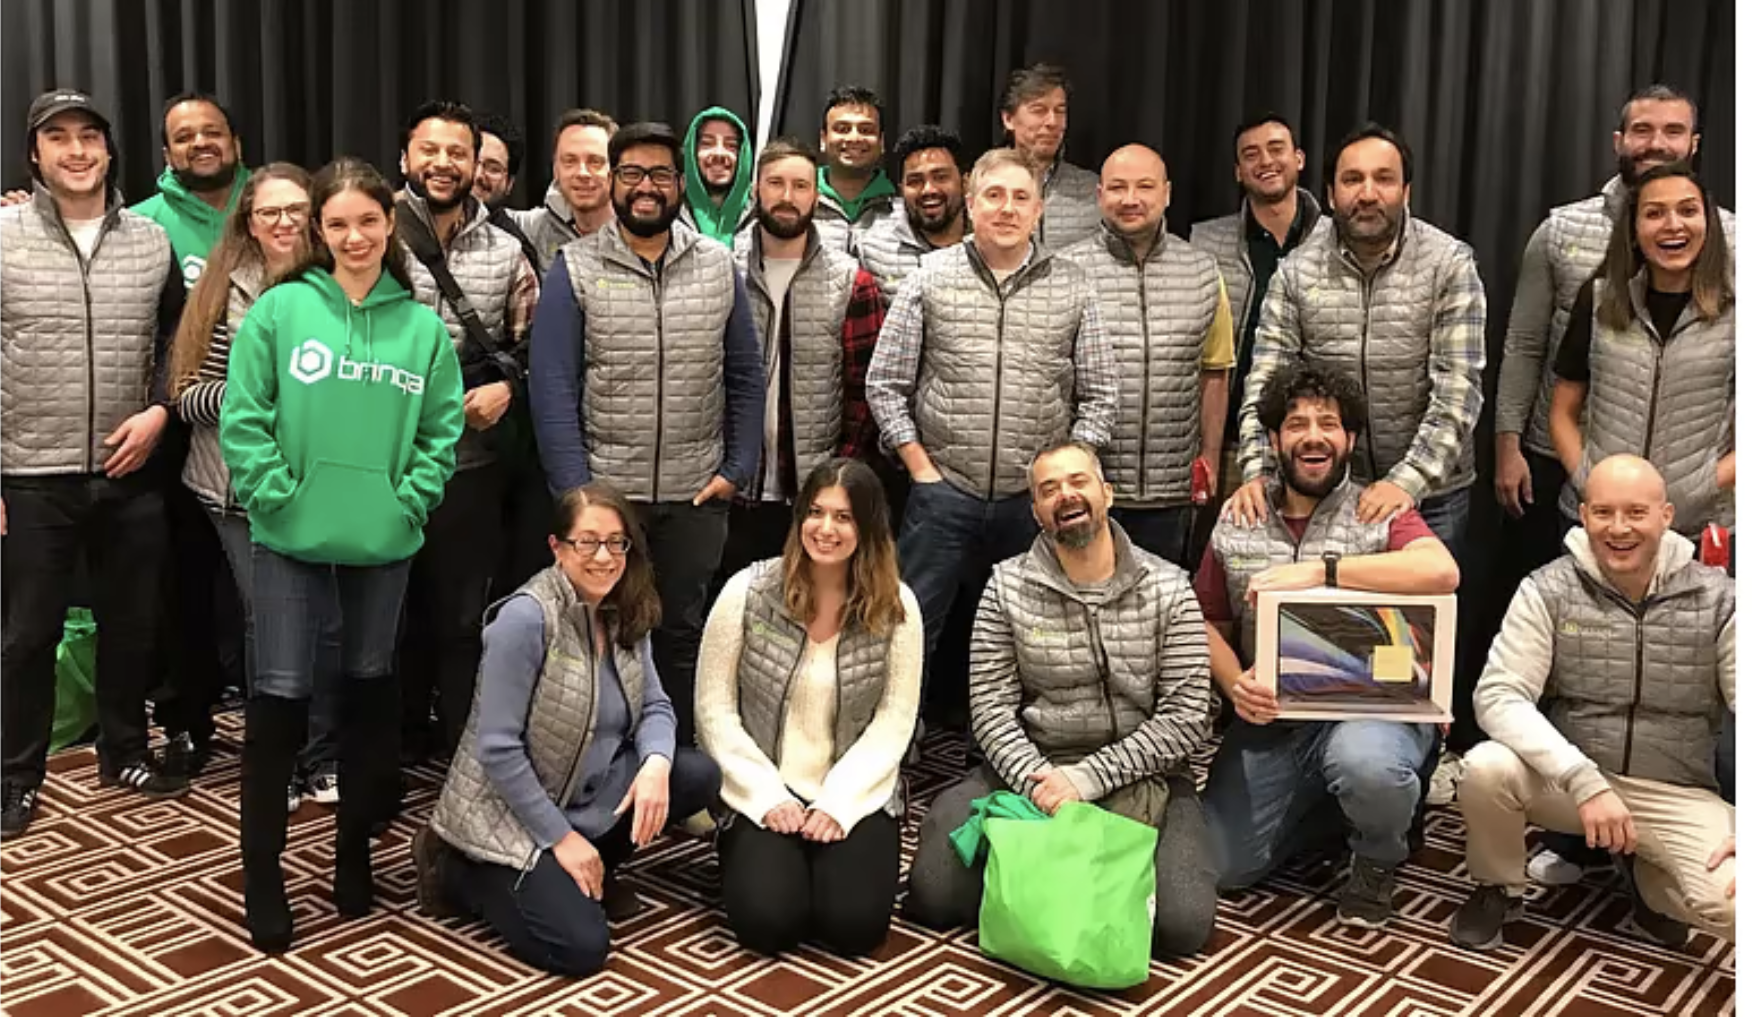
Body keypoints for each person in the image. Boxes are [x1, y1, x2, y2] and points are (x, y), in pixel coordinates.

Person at [219, 157, 466, 952]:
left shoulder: (421, 329)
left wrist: (409, 499)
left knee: (367, 698)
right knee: (280, 703)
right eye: (337, 224)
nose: (354, 237)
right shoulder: (281, 310)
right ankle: (263, 876)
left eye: (368, 221)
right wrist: (275, 493)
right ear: (317, 233)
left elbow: (442, 430)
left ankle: (353, 854)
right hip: (288, 536)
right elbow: (244, 415)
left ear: (390, 224)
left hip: (382, 539)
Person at [906, 440, 1218, 958]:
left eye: (1078, 481)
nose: (1065, 496)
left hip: (1144, 775)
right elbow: (989, 710)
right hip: (1032, 768)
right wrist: (1042, 782)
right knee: (934, 892)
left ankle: (1048, 880)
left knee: (1180, 927)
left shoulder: (1169, 587)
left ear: (1107, 493)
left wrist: (1086, 779)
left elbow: (1186, 719)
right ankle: (1059, 879)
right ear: (1036, 512)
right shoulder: (1006, 587)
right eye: (1049, 489)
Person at [413, 483, 723, 975]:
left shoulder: (625, 606)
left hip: (581, 795)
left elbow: (656, 705)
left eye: (616, 542)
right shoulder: (525, 618)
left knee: (692, 775)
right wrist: (560, 839)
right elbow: (498, 750)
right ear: (557, 547)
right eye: (587, 542)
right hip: (508, 814)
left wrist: (655, 765)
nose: (603, 557)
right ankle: (460, 870)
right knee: (581, 947)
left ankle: (587, 865)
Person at [1197, 365, 1460, 928]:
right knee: (1225, 866)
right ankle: (1347, 810)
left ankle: (1377, 849)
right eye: (1296, 425)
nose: (1313, 436)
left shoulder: (1379, 510)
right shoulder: (1240, 517)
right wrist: (1234, 684)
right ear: (1274, 440)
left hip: (1375, 713)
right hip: (1278, 719)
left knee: (1366, 766)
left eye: (1328, 424)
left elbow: (1442, 572)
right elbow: (1208, 620)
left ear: (1350, 439)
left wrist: (1325, 571)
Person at [528, 121, 764, 746]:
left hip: (695, 496)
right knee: (600, 633)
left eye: (660, 174)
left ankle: (673, 762)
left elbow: (745, 374)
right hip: (609, 501)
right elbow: (551, 386)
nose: (646, 187)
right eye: (631, 173)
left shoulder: (716, 265)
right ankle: (599, 762)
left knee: (682, 634)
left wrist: (736, 468)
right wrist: (578, 493)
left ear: (680, 183)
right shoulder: (575, 267)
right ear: (613, 181)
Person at [2, 89, 190, 839]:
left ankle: (125, 751)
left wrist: (160, 410)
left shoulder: (150, 241)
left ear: (110, 150)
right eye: (59, 138)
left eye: (89, 137)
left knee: (132, 625)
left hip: (129, 467)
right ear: (35, 154)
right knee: (26, 637)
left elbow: (178, 339)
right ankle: (15, 776)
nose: (76, 151)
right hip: (28, 474)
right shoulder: (4, 236)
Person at [1450, 455, 1734, 951]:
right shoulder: (1547, 588)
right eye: (1603, 512)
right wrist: (1582, 778)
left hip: (1676, 791)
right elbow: (1498, 694)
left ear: (1666, 516)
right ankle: (1498, 886)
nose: (1618, 529)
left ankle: (1651, 886)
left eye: (1636, 513)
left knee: (1732, 900)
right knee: (1485, 767)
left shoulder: (1720, 599)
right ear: (1583, 516)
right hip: (1571, 783)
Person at [866, 146, 1116, 697]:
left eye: (1021, 197)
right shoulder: (929, 277)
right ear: (971, 203)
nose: (1007, 208)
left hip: (1031, 504)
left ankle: (1006, 740)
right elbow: (884, 383)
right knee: (908, 631)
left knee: (1026, 638)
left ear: (1038, 209)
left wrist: (1063, 479)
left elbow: (1101, 394)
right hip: (943, 494)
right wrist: (920, 468)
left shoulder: (1073, 285)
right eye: (994, 195)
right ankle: (897, 739)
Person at [1496, 85, 1729, 577]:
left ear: (1694, 144)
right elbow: (1524, 347)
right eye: (1643, 130)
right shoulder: (1566, 238)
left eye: (1673, 131)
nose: (1657, 143)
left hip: (1699, 514)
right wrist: (1526, 452)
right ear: (1619, 140)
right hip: (1576, 482)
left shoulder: (1737, 251)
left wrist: (1708, 482)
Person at [169, 162, 341, 812]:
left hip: (324, 487)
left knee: (326, 623)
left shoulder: (342, 280)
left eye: (296, 209)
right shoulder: (223, 289)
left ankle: (322, 756)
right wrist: (264, 399)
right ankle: (278, 763)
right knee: (271, 623)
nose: (284, 222)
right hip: (238, 491)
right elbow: (187, 396)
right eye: (269, 211)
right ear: (248, 220)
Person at [697, 458, 921, 956]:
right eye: (815, 513)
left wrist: (839, 802)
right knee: (768, 926)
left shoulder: (898, 607)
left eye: (843, 517)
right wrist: (765, 795)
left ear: (868, 527)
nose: (825, 529)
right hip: (763, 787)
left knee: (854, 929)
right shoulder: (747, 592)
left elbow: (894, 721)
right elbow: (713, 711)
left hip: (854, 790)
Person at [1230, 122, 1485, 556]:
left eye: (1383, 179)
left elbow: (1458, 390)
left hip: (1433, 492)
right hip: (1331, 492)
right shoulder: (1295, 272)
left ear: (1405, 191)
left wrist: (1406, 482)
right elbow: (1266, 383)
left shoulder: (1449, 264)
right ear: (1331, 195)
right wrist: (1257, 472)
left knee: (1424, 601)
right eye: (1352, 180)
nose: (1367, 193)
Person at [393, 101, 541, 764]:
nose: (443, 163)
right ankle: (392, 752)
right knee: (388, 617)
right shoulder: (374, 234)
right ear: (405, 157)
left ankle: (461, 758)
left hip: (470, 467)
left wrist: (509, 387)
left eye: (458, 152)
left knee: (460, 620)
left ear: (476, 163)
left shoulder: (507, 251)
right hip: (383, 465)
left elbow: (537, 347)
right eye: (430, 150)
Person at [1060, 143, 1233, 568]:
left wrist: (1210, 457)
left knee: (1161, 601)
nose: (1131, 199)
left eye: (1145, 186)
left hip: (1171, 493)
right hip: (1089, 487)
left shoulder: (1203, 271)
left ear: (1167, 193)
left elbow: (1215, 371)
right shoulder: (1065, 271)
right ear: (1100, 195)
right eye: (1118, 187)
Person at [721, 140, 885, 578]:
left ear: (817, 195)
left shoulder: (851, 281)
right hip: (732, 490)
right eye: (775, 183)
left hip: (814, 499)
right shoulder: (721, 272)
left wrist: (836, 476)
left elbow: (864, 394)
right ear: (755, 190)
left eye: (800, 185)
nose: (787, 197)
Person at [1549, 162, 1733, 546]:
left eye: (1688, 210)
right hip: (1602, 524)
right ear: (1633, 229)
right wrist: (1588, 479)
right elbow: (1563, 411)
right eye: (1654, 213)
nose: (1673, 225)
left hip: (1700, 529)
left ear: (1709, 223)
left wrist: (1704, 485)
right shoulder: (1598, 300)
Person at [1189, 113, 1329, 504]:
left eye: (1275, 149)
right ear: (1238, 171)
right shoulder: (1204, 243)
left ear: (1299, 158)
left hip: (1317, 444)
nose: (1265, 161)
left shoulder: (1335, 241)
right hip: (1232, 446)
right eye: (1251, 154)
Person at [133, 91, 249, 284]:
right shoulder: (138, 224)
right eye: (183, 137)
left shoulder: (276, 207)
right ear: (168, 157)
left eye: (213, 133)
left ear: (236, 145)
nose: (201, 143)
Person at [855, 124, 969, 305]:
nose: (928, 190)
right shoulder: (872, 249)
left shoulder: (991, 243)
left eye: (940, 177)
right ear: (901, 189)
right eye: (915, 181)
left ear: (965, 182)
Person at [999, 63, 1099, 252]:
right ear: (1008, 119)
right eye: (1039, 110)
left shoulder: (1093, 187)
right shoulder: (982, 184)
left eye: (1060, 111)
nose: (1053, 122)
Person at [508, 109, 619, 275]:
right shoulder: (533, 227)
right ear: (555, 170)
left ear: (617, 169)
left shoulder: (641, 232)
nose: (582, 173)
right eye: (570, 161)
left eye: (595, 161)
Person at [814, 86, 898, 253]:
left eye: (866, 130)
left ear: (881, 142)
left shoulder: (906, 211)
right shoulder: (797, 204)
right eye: (842, 129)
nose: (854, 138)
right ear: (823, 139)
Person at [680, 106, 755, 246]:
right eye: (707, 143)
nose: (719, 153)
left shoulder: (761, 214)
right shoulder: (670, 213)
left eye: (731, 145)